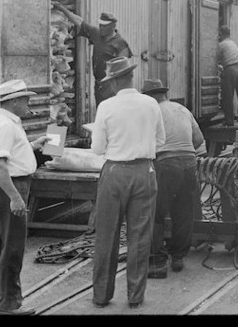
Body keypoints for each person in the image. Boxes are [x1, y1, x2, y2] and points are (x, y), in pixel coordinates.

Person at [90, 57, 165, 309]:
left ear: (116, 81)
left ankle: (101, 295)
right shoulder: (151, 104)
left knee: (106, 235)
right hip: (144, 171)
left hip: (114, 172)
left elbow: (98, 148)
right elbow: (161, 141)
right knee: (140, 236)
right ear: (131, 77)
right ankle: (135, 296)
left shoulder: (106, 107)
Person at [0, 79, 51, 315]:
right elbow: (0, 164)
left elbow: (7, 154)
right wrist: (15, 198)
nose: (29, 103)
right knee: (12, 246)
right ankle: (9, 304)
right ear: (12, 101)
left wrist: (32, 145)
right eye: (25, 99)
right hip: (8, 185)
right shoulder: (6, 125)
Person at [143, 78, 204, 279]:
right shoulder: (182, 109)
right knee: (183, 212)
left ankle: (157, 262)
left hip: (166, 164)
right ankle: (178, 257)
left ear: (150, 97)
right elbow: (198, 139)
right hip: (189, 162)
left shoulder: (152, 111)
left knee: (155, 212)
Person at [52, 1, 132, 107]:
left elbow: (125, 67)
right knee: (101, 109)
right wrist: (62, 8)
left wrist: (120, 87)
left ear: (113, 26)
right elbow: (79, 22)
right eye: (100, 25)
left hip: (113, 84)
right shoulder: (97, 34)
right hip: (99, 83)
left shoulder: (120, 43)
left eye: (105, 26)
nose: (101, 28)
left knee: (113, 109)